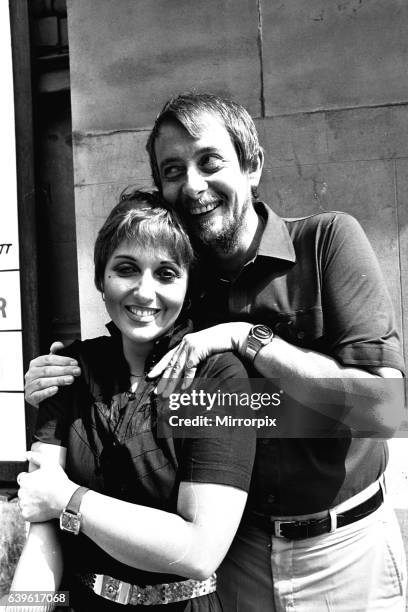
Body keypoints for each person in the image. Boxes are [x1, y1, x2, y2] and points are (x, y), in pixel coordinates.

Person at [25, 93, 406, 611]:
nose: (194, 185)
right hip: (239, 556)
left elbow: (383, 411)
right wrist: (62, 385)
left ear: (252, 166)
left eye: (210, 162)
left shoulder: (326, 242)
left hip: (341, 549)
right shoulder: (177, 283)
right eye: (173, 170)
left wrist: (248, 341)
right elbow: (151, 409)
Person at [11, 189, 256, 612]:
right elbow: (43, 528)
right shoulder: (69, 369)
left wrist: (70, 499)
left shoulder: (218, 378)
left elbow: (199, 552)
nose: (144, 292)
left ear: (187, 285)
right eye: (126, 269)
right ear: (101, 280)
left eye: (165, 273)